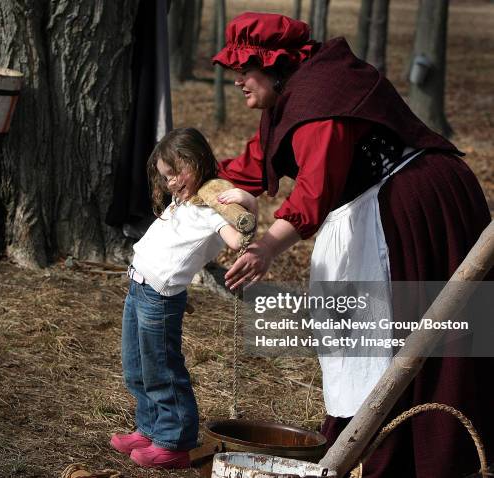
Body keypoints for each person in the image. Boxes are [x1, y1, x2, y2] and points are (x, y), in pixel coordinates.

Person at [212, 11, 493, 478]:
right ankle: (376, 448)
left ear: (276, 64)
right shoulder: (299, 92)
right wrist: (193, 179)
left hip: (414, 205)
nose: (237, 79)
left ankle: (424, 456)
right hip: (401, 200)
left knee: (404, 336)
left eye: (246, 69)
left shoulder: (323, 98)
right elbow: (255, 162)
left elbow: (314, 192)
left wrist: (265, 248)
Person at [110, 127, 256, 469]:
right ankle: (149, 429)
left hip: (159, 299)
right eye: (166, 177)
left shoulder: (212, 208)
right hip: (137, 288)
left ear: (197, 161)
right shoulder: (183, 199)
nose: (171, 182)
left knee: (162, 370)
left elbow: (238, 240)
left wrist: (246, 202)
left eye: (176, 173)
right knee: (136, 368)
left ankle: (175, 440)